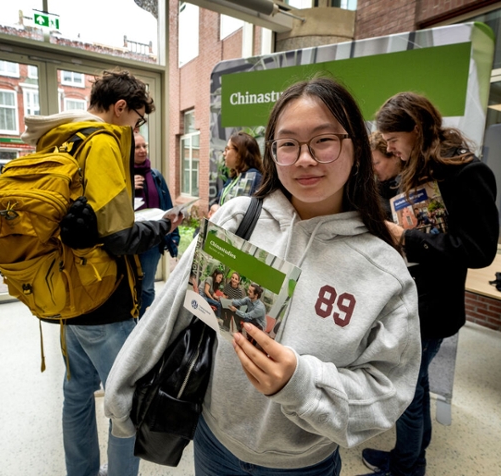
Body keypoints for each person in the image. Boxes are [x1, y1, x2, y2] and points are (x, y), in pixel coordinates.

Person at [105, 76, 422, 476]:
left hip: (302, 463)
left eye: (323, 140)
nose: (304, 159)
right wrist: (121, 394)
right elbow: (171, 314)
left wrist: (301, 382)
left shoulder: (384, 272)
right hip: (213, 440)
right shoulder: (240, 220)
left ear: (356, 148)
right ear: (273, 153)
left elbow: (387, 391)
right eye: (288, 144)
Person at [21, 69, 182, 476]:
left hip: (63, 289)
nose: (135, 128)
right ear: (121, 107)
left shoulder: (60, 136)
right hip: (102, 295)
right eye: (137, 119)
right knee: (123, 399)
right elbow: (118, 236)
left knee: (76, 393)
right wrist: (163, 224)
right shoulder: (103, 142)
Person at [360, 92, 500, 476]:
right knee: (415, 388)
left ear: (416, 129)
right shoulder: (419, 170)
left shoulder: (468, 173)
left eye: (393, 142)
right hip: (411, 301)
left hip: (435, 307)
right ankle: (409, 456)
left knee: (408, 392)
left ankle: (408, 468)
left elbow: (480, 249)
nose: (391, 150)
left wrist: (407, 238)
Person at [133, 132, 180, 317]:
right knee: (128, 288)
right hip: (129, 241)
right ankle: (131, 325)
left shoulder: (156, 176)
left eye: (144, 146)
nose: (143, 150)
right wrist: (128, 187)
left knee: (146, 287)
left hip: (152, 241)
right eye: (137, 147)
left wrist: (173, 236)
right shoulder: (121, 175)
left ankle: (145, 324)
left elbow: (167, 207)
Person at [218, 131, 264, 206]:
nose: (224, 153)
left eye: (228, 149)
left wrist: (218, 210)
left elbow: (237, 210)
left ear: (240, 153)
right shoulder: (234, 177)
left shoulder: (252, 176)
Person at [370, 131, 403, 219]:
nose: (373, 170)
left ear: (395, 156)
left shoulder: (418, 177)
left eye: (376, 163)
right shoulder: (377, 192)